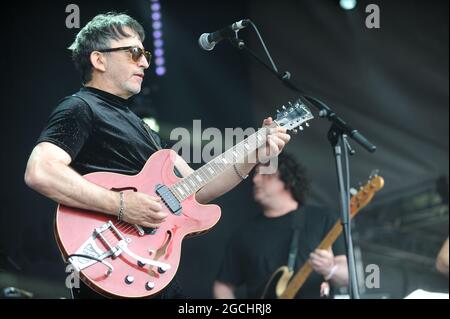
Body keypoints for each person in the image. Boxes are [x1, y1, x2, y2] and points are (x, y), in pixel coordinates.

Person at [24, 12, 290, 299]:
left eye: (146, 53)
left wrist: (253, 153)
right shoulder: (80, 107)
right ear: (99, 60)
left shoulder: (143, 129)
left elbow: (198, 188)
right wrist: (122, 205)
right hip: (110, 260)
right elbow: (41, 171)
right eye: (134, 52)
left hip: (149, 269)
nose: (145, 62)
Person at [213, 153, 349, 299]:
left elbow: (347, 276)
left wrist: (330, 269)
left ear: (288, 178)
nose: (256, 179)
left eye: (265, 174)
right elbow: (222, 287)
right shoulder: (243, 234)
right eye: (256, 174)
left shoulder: (323, 218)